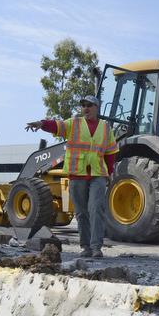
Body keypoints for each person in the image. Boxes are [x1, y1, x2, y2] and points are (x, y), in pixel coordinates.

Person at [25, 94, 118, 258]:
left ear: (96, 108)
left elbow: (110, 152)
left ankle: (96, 247)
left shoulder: (105, 128)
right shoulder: (74, 123)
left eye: (89, 105)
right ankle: (85, 247)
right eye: (83, 105)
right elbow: (57, 125)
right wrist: (41, 124)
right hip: (77, 174)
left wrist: (109, 172)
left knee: (96, 208)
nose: (86, 108)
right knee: (81, 213)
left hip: (98, 173)